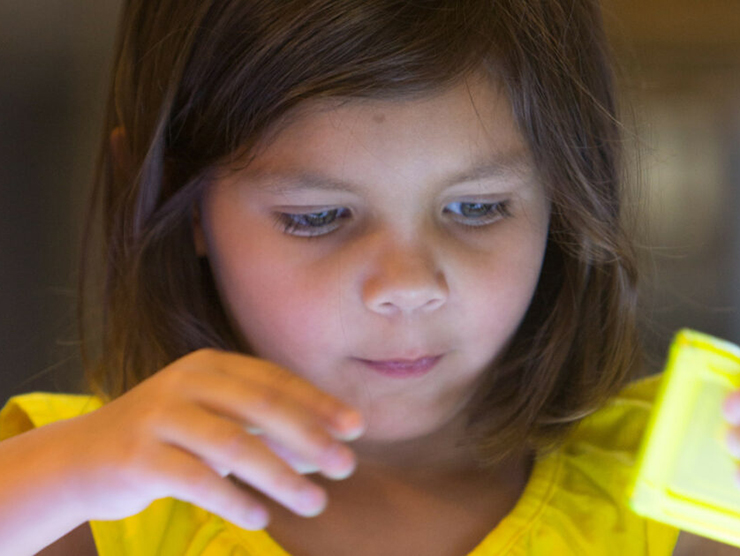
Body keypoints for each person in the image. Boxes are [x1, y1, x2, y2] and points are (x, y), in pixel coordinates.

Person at [0, 0, 737, 554]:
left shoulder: (686, 500)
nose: (407, 283)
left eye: (478, 207)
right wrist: (59, 474)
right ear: (168, 198)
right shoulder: (85, 494)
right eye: (319, 217)